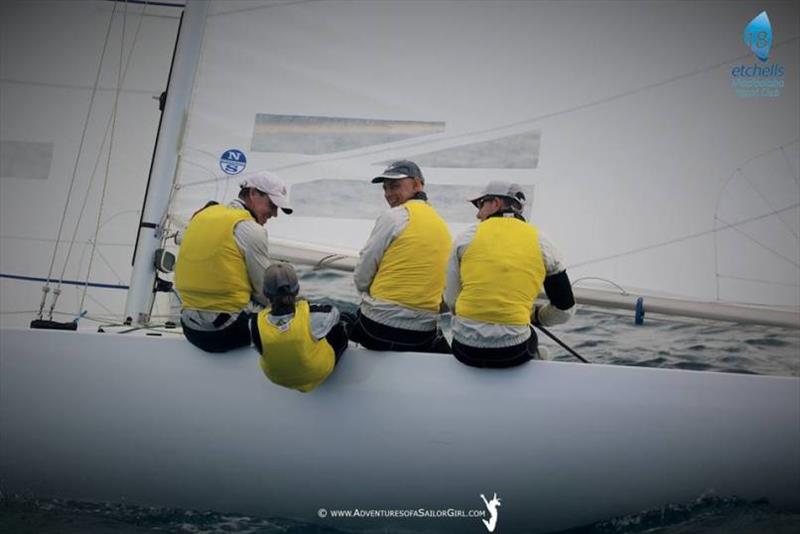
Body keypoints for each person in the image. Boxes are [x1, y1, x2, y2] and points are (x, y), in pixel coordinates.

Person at [444, 181, 575, 368]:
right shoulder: (543, 242)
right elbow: (565, 310)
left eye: (480, 204)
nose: (478, 213)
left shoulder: (465, 238)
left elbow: (452, 302)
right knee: (536, 344)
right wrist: (537, 316)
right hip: (513, 352)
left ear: (496, 203)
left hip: (466, 349)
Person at [174, 170, 292, 352]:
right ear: (253, 193)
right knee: (290, 311)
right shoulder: (250, 229)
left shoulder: (200, 217)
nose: (275, 214)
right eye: (272, 205)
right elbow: (265, 292)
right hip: (227, 331)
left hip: (190, 327)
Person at [349, 160, 452, 353]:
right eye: (385, 188)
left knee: (337, 320)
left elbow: (364, 269)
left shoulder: (393, 217)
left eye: (395, 186)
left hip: (378, 329)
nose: (388, 195)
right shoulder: (443, 227)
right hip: (420, 336)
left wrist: (366, 294)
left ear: (417, 184)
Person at [250, 262, 348, 392]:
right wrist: (304, 305)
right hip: (316, 372)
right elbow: (334, 312)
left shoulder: (254, 324)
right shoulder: (311, 316)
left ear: (266, 293)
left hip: (278, 379)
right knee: (344, 323)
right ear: (296, 290)